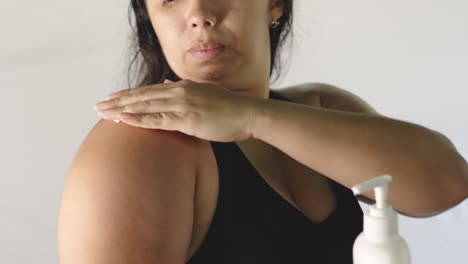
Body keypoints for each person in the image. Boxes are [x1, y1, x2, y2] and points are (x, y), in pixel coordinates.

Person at [57, 0, 468, 263]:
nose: (199, 12)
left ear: (274, 4)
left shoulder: (319, 108)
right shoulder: (140, 143)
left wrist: (253, 117)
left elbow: (448, 182)